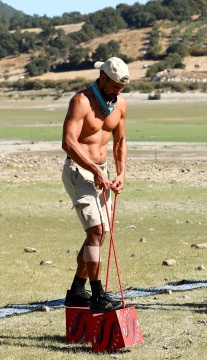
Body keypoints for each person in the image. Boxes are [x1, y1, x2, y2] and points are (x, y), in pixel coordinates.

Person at [61, 57, 130, 312]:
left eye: (121, 88)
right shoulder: (81, 101)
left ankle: (77, 291)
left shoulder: (120, 104)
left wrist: (120, 172)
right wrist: (93, 170)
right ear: (102, 78)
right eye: (114, 86)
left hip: (103, 172)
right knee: (96, 232)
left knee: (99, 235)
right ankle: (97, 295)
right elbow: (68, 142)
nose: (118, 92)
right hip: (79, 170)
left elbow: (120, 142)